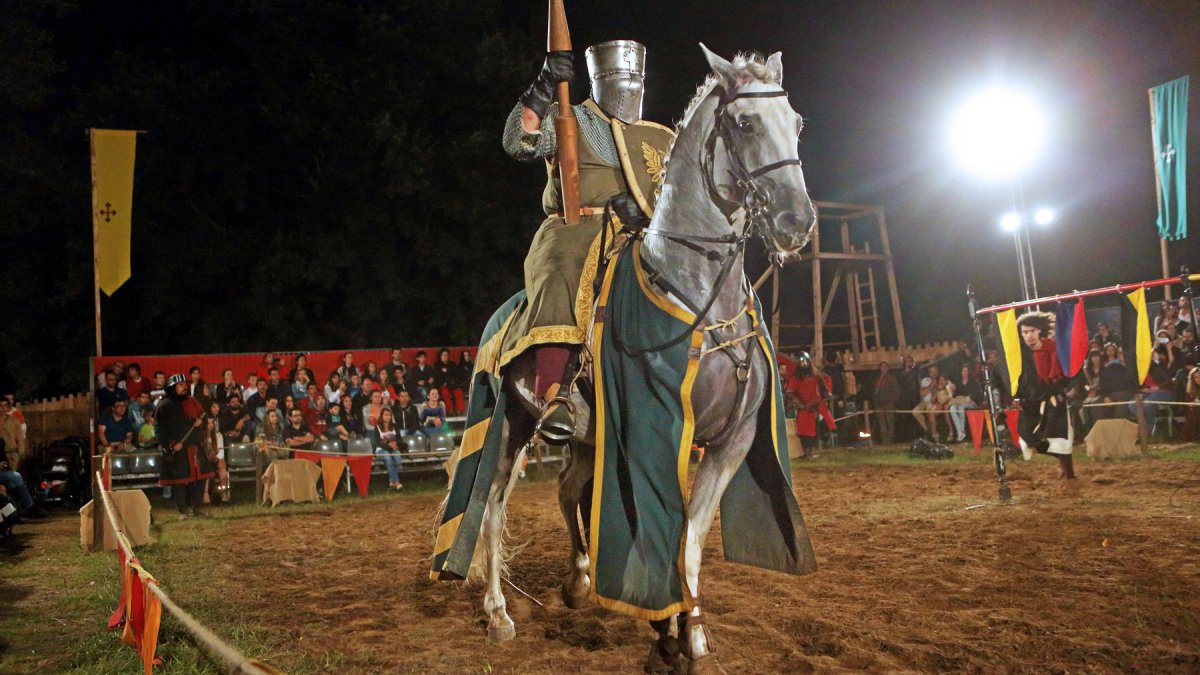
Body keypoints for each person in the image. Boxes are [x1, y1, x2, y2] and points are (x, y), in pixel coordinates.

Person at [501, 40, 672, 446]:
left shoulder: (655, 137)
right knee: (562, 265)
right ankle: (556, 393)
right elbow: (518, 141)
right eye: (620, 79)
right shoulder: (569, 119)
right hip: (577, 228)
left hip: (641, 232)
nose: (628, 89)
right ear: (600, 80)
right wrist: (544, 87)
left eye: (635, 81)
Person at [1014, 312, 1077, 480]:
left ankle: (1069, 472)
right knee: (1028, 436)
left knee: (1058, 438)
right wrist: (1018, 396)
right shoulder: (1021, 355)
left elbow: (1067, 374)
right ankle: (1063, 464)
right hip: (1032, 402)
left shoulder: (1054, 348)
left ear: (1040, 330)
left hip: (1053, 400)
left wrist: (1062, 388)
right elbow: (1017, 379)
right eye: (1025, 332)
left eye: (1032, 331)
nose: (1029, 336)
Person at [156, 374, 215, 519]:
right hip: (178, 449)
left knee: (200, 479)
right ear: (172, 387)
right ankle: (183, 511)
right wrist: (171, 444)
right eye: (180, 385)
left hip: (194, 446)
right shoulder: (164, 405)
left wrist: (201, 424)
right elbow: (159, 429)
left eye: (184, 385)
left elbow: (204, 419)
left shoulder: (192, 402)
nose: (184, 387)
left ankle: (198, 509)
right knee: (179, 482)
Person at [784, 352, 834, 458]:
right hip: (804, 408)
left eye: (805, 361)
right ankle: (807, 454)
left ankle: (811, 453)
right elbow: (790, 392)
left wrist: (827, 394)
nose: (804, 364)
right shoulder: (796, 377)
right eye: (801, 362)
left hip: (816, 407)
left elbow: (823, 388)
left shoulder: (816, 374)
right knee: (804, 431)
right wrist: (799, 403)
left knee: (817, 429)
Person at [947, 365, 982, 443]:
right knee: (952, 408)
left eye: (966, 371)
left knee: (961, 407)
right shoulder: (958, 382)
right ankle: (960, 432)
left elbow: (977, 394)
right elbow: (955, 396)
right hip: (960, 402)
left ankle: (962, 432)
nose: (965, 373)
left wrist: (968, 398)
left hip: (970, 403)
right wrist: (953, 390)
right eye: (963, 371)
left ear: (969, 372)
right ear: (961, 372)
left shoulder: (974, 382)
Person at [372, 408, 404, 491]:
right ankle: (396, 482)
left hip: (393, 448)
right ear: (381, 416)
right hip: (381, 450)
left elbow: (399, 439)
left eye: (389, 415)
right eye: (386, 415)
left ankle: (391, 481)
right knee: (388, 457)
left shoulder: (395, 426)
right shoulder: (377, 427)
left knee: (397, 457)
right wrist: (388, 445)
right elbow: (376, 443)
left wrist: (396, 443)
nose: (388, 417)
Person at [873, 362, 900, 445]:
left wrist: (892, 401)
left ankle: (890, 440)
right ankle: (884, 441)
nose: (883, 368)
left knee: (890, 422)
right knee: (882, 424)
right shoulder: (877, 379)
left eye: (885, 367)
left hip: (888, 403)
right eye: (882, 367)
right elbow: (874, 391)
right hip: (879, 404)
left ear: (888, 368)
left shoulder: (891, 378)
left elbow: (897, 390)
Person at [434, 348, 466, 416]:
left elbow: (456, 373)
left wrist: (447, 371)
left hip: (453, 384)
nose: (446, 357)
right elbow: (437, 377)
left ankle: (459, 410)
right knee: (445, 392)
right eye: (444, 355)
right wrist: (444, 381)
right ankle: (449, 411)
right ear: (440, 356)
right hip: (443, 385)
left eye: (447, 355)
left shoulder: (452, 364)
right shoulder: (437, 365)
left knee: (458, 391)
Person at [1180, 366, 1200, 441]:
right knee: (1194, 412)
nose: (1198, 379)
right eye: (1196, 377)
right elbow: (1188, 403)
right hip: (1195, 411)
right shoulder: (1191, 390)